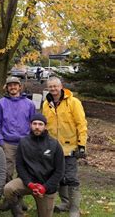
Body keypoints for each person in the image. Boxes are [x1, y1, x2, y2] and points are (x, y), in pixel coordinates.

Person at [42, 77, 87, 217]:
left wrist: (82, 145)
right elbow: (45, 126)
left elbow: (81, 124)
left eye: (55, 86)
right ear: (48, 88)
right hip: (53, 148)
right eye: (50, 87)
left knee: (71, 177)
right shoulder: (46, 104)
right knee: (58, 176)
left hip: (70, 147)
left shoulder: (73, 102)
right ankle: (65, 202)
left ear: (61, 86)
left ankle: (74, 208)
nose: (53, 89)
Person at [4, 114, 65, 217]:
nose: (37, 126)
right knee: (8, 189)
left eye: (40, 124)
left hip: (46, 187)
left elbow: (60, 170)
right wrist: (30, 184)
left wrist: (45, 187)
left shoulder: (54, 144)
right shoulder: (23, 142)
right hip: (28, 183)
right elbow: (20, 166)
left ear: (45, 126)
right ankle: (18, 214)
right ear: (30, 125)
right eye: (34, 123)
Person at [0, 76, 35, 211]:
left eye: (15, 85)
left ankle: (19, 199)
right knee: (7, 172)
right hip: (7, 143)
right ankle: (8, 199)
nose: (13, 87)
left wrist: (30, 141)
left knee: (23, 172)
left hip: (25, 143)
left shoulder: (29, 104)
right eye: (10, 85)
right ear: (7, 87)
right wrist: (1, 141)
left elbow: (33, 123)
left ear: (19, 87)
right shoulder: (1, 103)